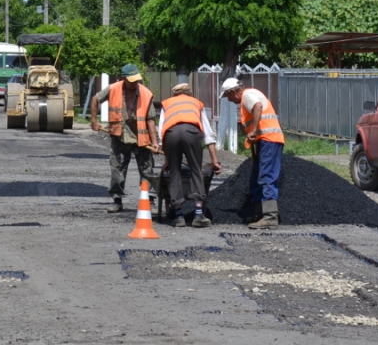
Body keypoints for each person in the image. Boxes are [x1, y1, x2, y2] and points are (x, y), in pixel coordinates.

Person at [91, 64, 160, 213]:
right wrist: (94, 121)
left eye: (137, 80)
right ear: (124, 78)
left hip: (141, 138)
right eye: (132, 80)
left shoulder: (145, 93)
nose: (135, 83)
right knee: (117, 169)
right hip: (119, 136)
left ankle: (149, 200)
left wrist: (155, 143)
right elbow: (95, 99)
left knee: (147, 171)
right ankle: (117, 201)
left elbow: (150, 120)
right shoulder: (113, 88)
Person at [220, 77, 285, 229]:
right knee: (256, 178)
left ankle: (270, 217)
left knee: (266, 176)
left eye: (227, 96)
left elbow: (258, 106)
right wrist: (255, 157)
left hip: (269, 140)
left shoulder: (248, 95)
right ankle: (260, 213)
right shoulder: (247, 97)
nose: (228, 100)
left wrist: (255, 130)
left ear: (232, 92)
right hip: (263, 143)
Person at [158, 83, 222, 227]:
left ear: (175, 94)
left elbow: (161, 131)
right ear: (190, 93)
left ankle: (178, 215)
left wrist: (167, 160)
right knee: (195, 170)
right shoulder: (196, 103)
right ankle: (198, 214)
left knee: (175, 172)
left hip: (171, 134)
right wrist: (215, 161)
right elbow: (209, 135)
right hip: (192, 133)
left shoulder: (167, 103)